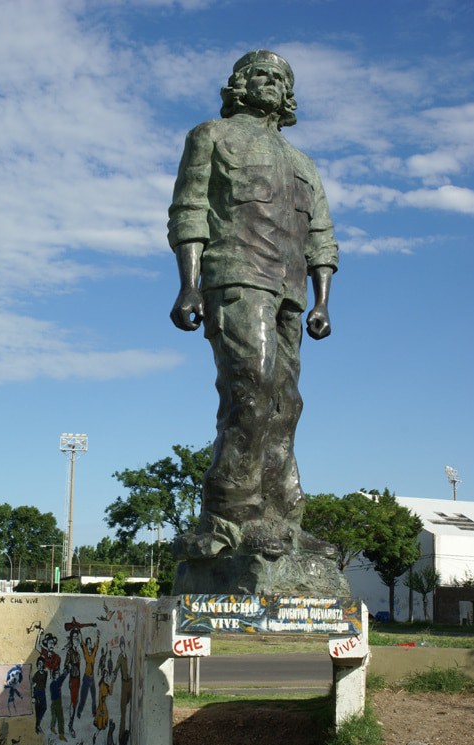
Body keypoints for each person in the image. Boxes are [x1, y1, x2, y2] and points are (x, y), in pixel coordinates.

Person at [168, 50, 339, 556]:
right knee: (252, 388)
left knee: (286, 406)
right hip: (237, 278)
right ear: (239, 84)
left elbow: (322, 237)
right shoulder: (211, 136)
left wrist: (323, 300)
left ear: (288, 94)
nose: (270, 81)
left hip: (291, 293)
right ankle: (231, 514)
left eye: (280, 77)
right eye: (259, 73)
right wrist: (188, 284)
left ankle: (284, 518)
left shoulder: (303, 162)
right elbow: (190, 211)